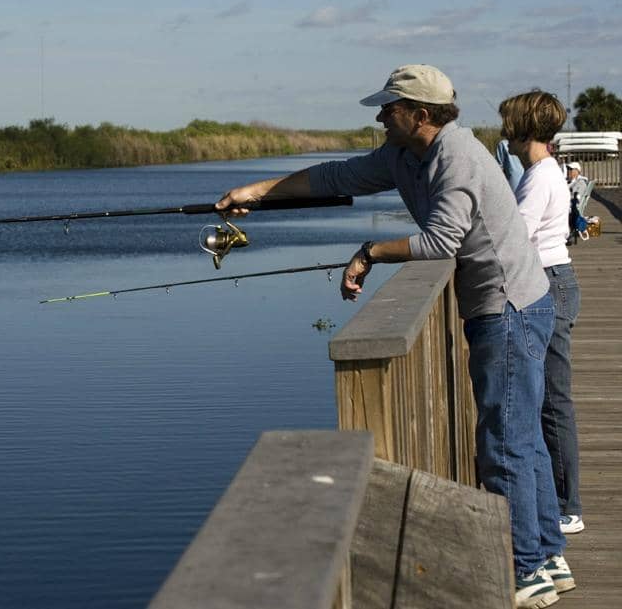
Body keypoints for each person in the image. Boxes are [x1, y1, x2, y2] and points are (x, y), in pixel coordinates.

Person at [215, 65, 570, 608]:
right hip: (513, 305)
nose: (380, 116)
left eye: (389, 108)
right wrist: (259, 191)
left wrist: (369, 252)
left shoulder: (457, 157)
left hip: (510, 309)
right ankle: (546, 556)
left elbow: (440, 241)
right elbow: (335, 178)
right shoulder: (406, 154)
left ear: (420, 115)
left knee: (504, 443)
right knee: (520, 436)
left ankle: (524, 571)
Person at [500, 92, 585, 540]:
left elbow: (516, 236)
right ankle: (562, 497)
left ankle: (569, 505)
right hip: (554, 279)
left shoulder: (538, 178)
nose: (504, 134)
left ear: (523, 129)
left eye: (508, 125)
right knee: (552, 398)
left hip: (549, 283)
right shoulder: (542, 172)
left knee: (553, 401)